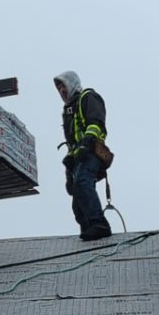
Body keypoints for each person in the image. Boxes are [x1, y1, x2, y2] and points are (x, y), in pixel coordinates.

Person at [54, 71, 113, 241]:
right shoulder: (68, 110)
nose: (61, 91)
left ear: (71, 83)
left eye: (63, 85)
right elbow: (72, 143)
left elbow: (96, 123)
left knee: (83, 183)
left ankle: (99, 225)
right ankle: (88, 230)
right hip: (79, 156)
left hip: (92, 151)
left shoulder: (88, 98)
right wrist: (69, 172)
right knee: (77, 199)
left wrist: (86, 143)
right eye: (59, 89)